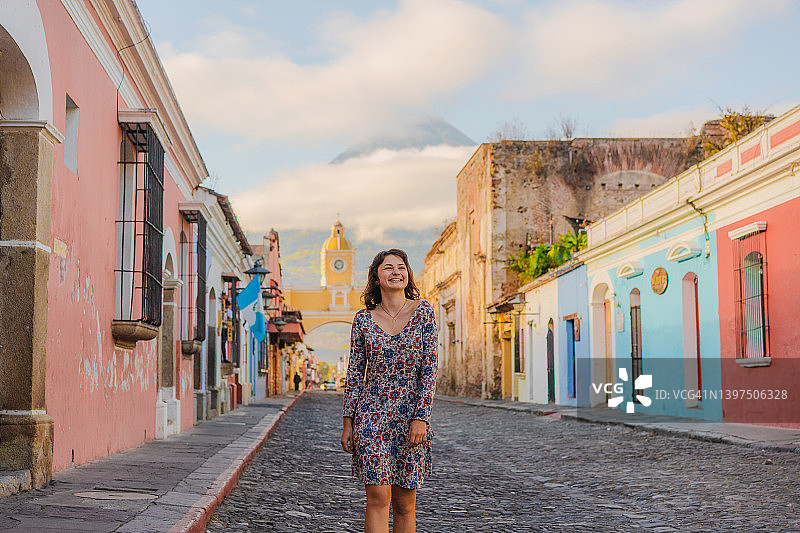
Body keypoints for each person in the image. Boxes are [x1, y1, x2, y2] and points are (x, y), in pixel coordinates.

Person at [341, 249, 438, 533]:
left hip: (411, 417)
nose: (396, 272)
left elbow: (430, 369)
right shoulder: (363, 320)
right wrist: (348, 422)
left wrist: (422, 417)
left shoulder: (424, 313)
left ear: (407, 275)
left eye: (401, 267)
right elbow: (355, 373)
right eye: (388, 268)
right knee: (378, 496)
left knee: (405, 502)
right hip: (371, 417)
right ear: (377, 277)